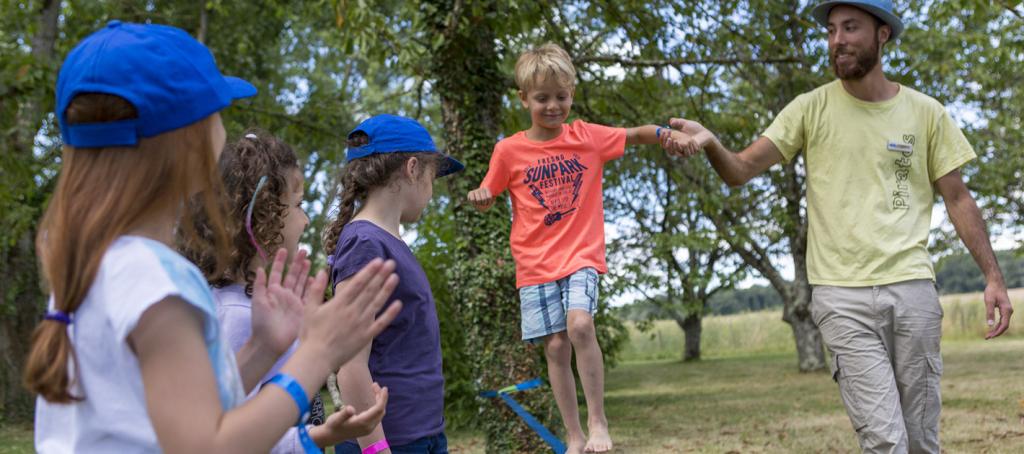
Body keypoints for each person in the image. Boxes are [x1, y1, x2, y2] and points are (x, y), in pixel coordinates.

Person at [23, 20, 401, 453]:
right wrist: (315, 354)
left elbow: (184, 410)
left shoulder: (99, 264)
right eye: (216, 112)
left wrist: (261, 348)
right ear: (188, 142)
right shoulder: (157, 282)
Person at [664, 2, 1014, 452]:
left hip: (912, 290)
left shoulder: (927, 113)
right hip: (841, 297)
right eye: (831, 30)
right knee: (886, 440)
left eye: (850, 28)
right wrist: (711, 141)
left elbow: (958, 197)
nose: (837, 40)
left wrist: (993, 276)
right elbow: (740, 171)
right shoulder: (809, 109)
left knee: (922, 440)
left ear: (882, 34)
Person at [466, 43, 699, 454]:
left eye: (561, 96)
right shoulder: (509, 150)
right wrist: (483, 194)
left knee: (579, 327)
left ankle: (598, 422)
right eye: (542, 98)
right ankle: (573, 435)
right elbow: (490, 187)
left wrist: (668, 135)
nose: (553, 106)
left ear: (572, 93)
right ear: (523, 99)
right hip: (535, 264)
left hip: (580, 256)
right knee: (556, 347)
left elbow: (636, 133)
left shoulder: (587, 137)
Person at [180, 130, 390, 452]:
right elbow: (232, 439)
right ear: (262, 213)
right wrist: (319, 436)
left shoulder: (245, 307)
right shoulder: (238, 318)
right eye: (298, 205)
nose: (305, 220)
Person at [323, 114, 464, 454]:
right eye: (432, 177)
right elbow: (351, 364)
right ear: (413, 168)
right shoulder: (366, 244)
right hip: (391, 442)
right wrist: (376, 449)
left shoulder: (387, 241)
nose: (432, 191)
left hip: (421, 433)